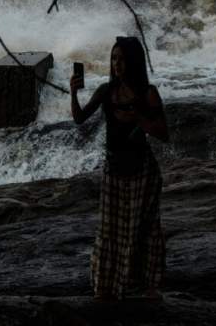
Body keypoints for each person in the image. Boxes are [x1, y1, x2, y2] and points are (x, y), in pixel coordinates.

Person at [70, 36, 169, 301]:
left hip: (142, 171)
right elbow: (79, 119)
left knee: (144, 230)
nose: (117, 64)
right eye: (114, 58)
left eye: (123, 59)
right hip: (114, 169)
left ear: (134, 61)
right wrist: (73, 92)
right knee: (110, 233)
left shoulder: (148, 93)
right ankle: (108, 288)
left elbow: (163, 133)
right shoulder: (106, 91)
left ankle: (148, 288)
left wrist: (139, 117)